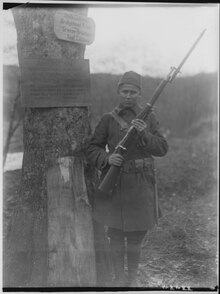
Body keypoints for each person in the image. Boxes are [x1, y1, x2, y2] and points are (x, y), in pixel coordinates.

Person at [86, 71, 168, 287]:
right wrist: (106, 158)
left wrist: (145, 135)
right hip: (116, 184)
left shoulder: (149, 118)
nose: (129, 95)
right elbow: (92, 148)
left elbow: (162, 148)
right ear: (118, 92)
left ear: (139, 93)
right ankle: (118, 279)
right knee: (115, 233)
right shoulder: (108, 119)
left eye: (133, 91)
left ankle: (131, 280)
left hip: (141, 184)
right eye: (125, 91)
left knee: (136, 236)